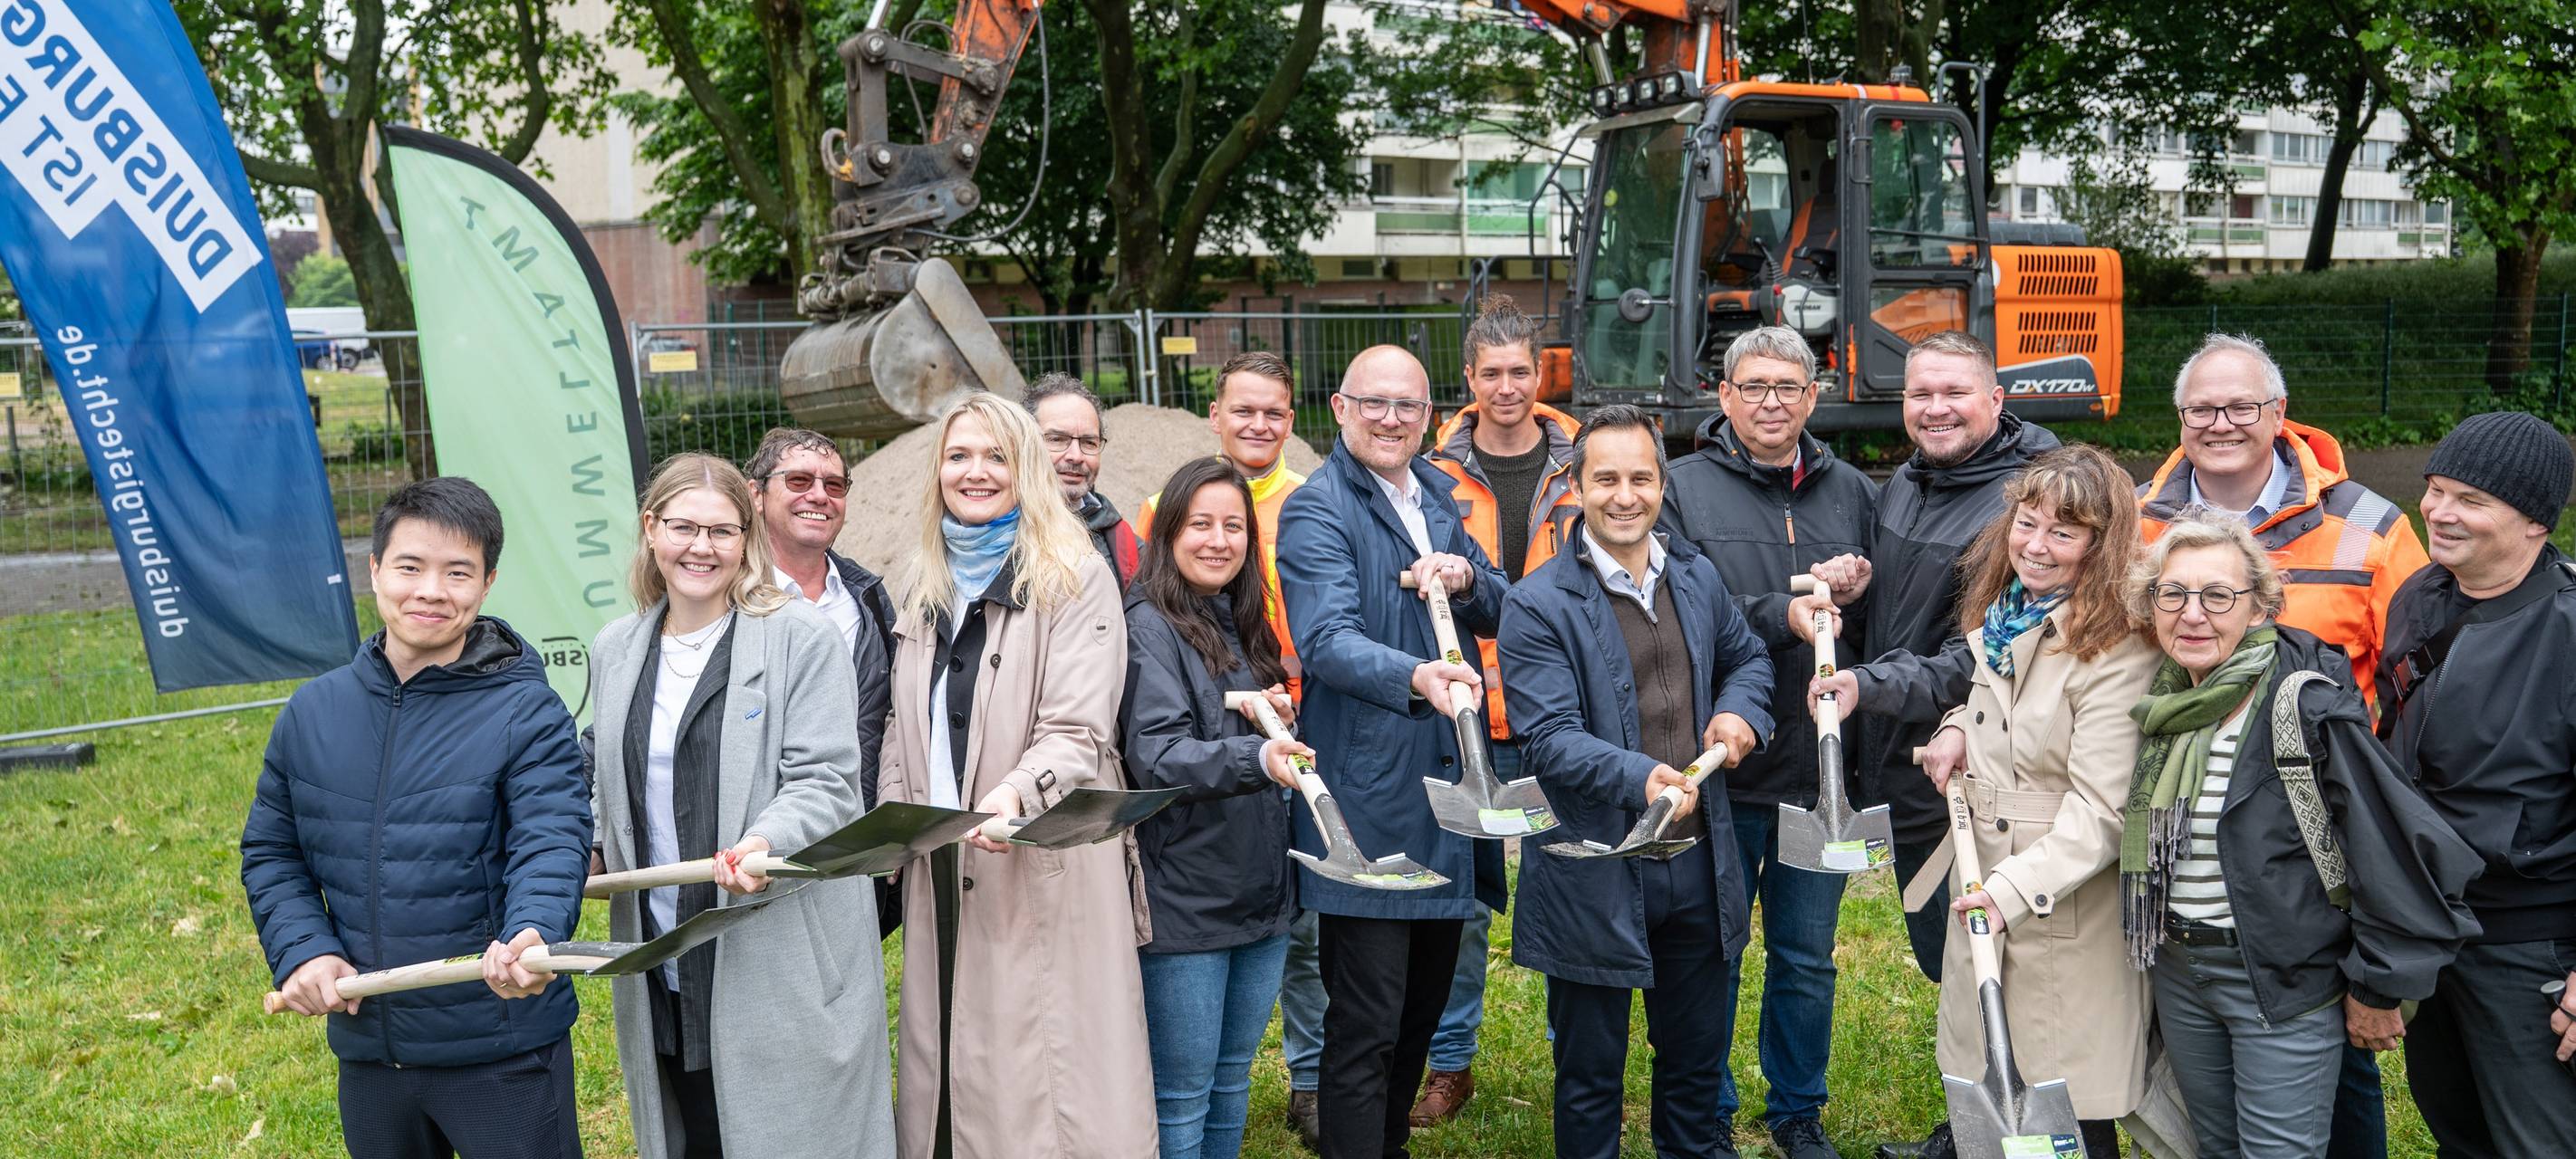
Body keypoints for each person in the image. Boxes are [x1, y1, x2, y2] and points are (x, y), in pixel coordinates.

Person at [2132, 336, 2432, 1158]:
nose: (2220, 423)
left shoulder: (2367, 524)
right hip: (2193, 882)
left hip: (2313, 845)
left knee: (2336, 1091)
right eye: (2201, 408)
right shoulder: (2137, 518)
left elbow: (2420, 678)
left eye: (2241, 406)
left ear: (2278, 413)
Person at [242, 477, 591, 1159]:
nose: (431, 591)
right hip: (371, 1048)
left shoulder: (527, 712)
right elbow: (273, 852)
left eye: (457, 572)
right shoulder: (312, 713)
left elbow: (551, 839)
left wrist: (535, 930)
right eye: (410, 567)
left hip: (502, 1045)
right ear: (375, 570)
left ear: (487, 584)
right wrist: (304, 948)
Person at [2119, 512, 2478, 1159]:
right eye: (2173, 594)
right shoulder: (2160, 704)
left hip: (2280, 973)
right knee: (2215, 1149)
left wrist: (2378, 983)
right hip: (2179, 970)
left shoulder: (2303, 705)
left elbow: (2385, 847)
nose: (2192, 614)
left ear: (2260, 606)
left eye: (2218, 596)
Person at [587, 453, 890, 1158]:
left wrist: (765, 841)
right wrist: (592, 850)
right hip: (667, 954)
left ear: (747, 538)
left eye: (722, 531)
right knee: (694, 1129)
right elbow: (608, 781)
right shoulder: (616, 648)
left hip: (776, 947)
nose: (701, 547)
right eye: (683, 528)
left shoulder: (800, 638)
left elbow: (827, 779)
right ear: (651, 529)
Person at [878, 392, 1155, 1158]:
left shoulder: (1074, 575)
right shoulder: (925, 581)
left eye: (996, 456)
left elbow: (1078, 730)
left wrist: (1012, 795)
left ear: (1026, 467)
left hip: (1033, 859)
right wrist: (897, 821)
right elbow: (903, 722)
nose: (976, 472)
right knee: (956, 1062)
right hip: (942, 861)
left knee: (1044, 1078)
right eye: (958, 455)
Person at [1499, 404, 1773, 1159]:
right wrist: (1641, 775)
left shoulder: (1694, 576)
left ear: (1662, 485)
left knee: (1694, 1065)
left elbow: (1748, 657)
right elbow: (1548, 738)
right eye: (1607, 480)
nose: (1626, 497)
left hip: (1696, 862)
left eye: (1642, 479)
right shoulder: (1537, 604)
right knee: (1590, 1076)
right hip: (1597, 868)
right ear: (1575, 488)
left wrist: (1739, 711)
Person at [1276, 345, 1509, 1159]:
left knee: (1420, 1013)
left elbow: (1503, 608)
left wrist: (1470, 581)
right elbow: (1327, 640)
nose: (1390, 419)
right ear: (1340, 409)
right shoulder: (1318, 510)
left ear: (1428, 416)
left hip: (1449, 791)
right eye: (1373, 403)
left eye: (1407, 405)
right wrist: (1416, 675)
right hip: (1373, 797)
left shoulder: (1438, 499)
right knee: (1367, 1022)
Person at [1659, 325, 1878, 1159]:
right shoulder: (1681, 490)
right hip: (1722, 761)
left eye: (1789, 387)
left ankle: (1797, 1109)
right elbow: (1681, 610)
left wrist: (1858, 590)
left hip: (1817, 773)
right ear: (1724, 396)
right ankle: (1707, 1107)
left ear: (1814, 397)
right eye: (1753, 387)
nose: (1771, 403)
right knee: (1713, 951)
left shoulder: (1854, 492)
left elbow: (1877, 619)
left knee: (1806, 956)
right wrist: (1778, 614)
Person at [1913, 445, 2162, 1159]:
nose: (2036, 545)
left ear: (2101, 544)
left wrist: (2009, 892)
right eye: (2027, 523)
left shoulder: (2118, 648)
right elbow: (2008, 711)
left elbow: (2104, 813)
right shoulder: (2011, 617)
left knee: (2065, 1098)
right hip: (1989, 877)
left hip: (2058, 902)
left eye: (2064, 531)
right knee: (1995, 1082)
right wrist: (1958, 727)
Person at [1805, 330, 2062, 995]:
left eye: (1955, 392)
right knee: (1946, 964)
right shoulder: (1908, 482)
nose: (1936, 408)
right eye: (1921, 393)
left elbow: (1985, 655)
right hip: (1908, 772)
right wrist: (1860, 596)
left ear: (1996, 400)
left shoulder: (2025, 509)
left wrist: (1868, 684)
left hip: (1976, 778)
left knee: (1995, 971)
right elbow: (1907, 615)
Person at [1380, 292, 1578, 1126]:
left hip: (1563, 710)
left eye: (1520, 372)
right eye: (1491, 373)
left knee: (1575, 889)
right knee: (1458, 903)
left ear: (1541, 375)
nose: (1507, 388)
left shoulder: (1582, 462)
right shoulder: (1430, 474)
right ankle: (1450, 1063)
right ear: (1469, 378)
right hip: (1466, 709)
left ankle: (1579, 1063)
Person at [2378, 412, 2576, 1157]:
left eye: (2471, 499)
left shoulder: (2567, 628)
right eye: (2435, 489)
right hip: (2432, 928)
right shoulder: (2420, 596)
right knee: (2456, 1130)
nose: (2438, 511)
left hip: (2532, 945)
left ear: (2535, 521)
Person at [1123, 455, 1313, 1159]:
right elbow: (1158, 753)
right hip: (1185, 896)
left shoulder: (1240, 618)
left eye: (1234, 526)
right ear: (1169, 532)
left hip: (1258, 887)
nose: (1218, 540)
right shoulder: (1147, 626)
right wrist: (1257, 756)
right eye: (1200, 524)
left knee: (1232, 1080)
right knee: (1182, 1095)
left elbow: (1225, 722)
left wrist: (1271, 718)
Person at [745, 426, 903, 936]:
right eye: (798, 481)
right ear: (756, 493)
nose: (819, 495)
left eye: (834, 485)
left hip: (852, 840)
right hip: (755, 845)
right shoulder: (724, 597)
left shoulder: (866, 597)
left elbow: (893, 715)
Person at [1136, 350, 1308, 688]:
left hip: (1310, 698)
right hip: (1207, 695)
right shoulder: (1162, 507)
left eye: (1273, 414)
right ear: (1215, 416)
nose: (1259, 426)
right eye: (1244, 411)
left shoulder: (1316, 505)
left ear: (1289, 422)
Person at [1024, 373, 1139, 588]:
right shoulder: (988, 536)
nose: (1076, 456)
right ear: (1023, 442)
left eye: (1089, 442)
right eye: (1057, 439)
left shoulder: (1124, 543)